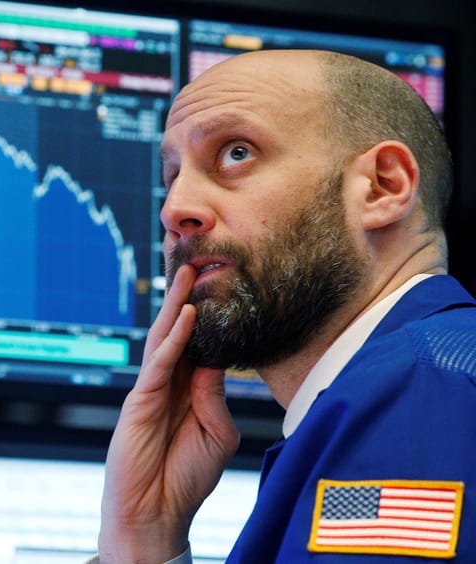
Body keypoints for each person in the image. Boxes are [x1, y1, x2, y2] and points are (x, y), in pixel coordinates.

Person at [95, 49, 476, 563]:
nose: (174, 209)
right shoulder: (409, 386)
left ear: (383, 187)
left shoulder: (421, 396)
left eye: (236, 153)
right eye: (173, 175)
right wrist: (142, 537)